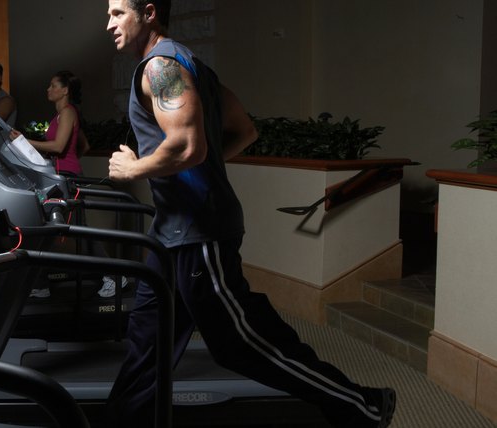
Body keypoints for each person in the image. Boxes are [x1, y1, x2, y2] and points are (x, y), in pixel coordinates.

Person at [102, 1, 397, 427]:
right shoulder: (190, 64)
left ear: (148, 12)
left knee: (242, 342)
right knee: (149, 338)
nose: (108, 24)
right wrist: (202, 165)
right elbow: (245, 129)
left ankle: (361, 405)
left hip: (198, 233)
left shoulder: (160, 67)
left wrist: (134, 168)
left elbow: (187, 145)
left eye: (116, 13)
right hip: (169, 234)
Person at [10, 71, 126, 298]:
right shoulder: (64, 115)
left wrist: (22, 141)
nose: (48, 89)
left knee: (69, 231)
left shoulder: (68, 112)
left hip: (68, 179)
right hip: (63, 175)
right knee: (54, 229)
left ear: (65, 90)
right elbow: (85, 146)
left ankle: (115, 276)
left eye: (53, 85)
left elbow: (58, 146)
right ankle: (41, 283)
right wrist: (68, 159)